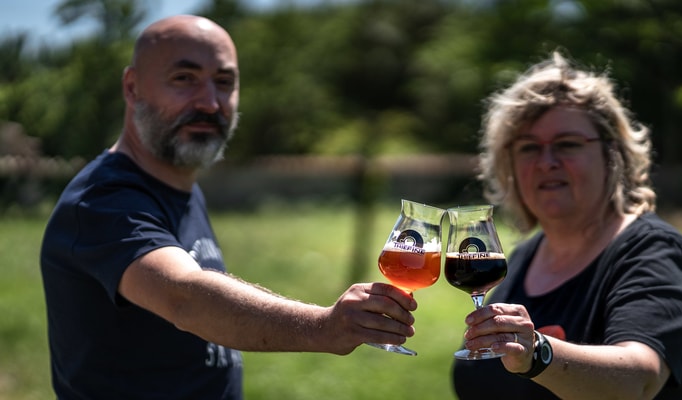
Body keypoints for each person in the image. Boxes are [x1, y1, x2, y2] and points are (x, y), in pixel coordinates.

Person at [39, 15, 417, 399]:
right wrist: (323, 326)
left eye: (224, 82)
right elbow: (184, 297)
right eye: (184, 79)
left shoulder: (179, 188)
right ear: (133, 88)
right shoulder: (103, 201)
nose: (209, 102)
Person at [451, 52, 682, 399]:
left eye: (567, 144)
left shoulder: (655, 252)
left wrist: (538, 354)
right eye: (529, 148)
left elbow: (639, 378)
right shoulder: (523, 257)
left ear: (612, 155)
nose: (547, 162)